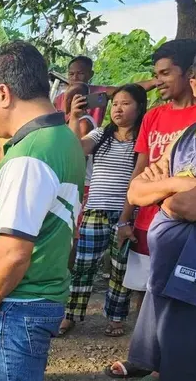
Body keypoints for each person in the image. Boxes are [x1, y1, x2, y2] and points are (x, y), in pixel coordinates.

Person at [0, 41, 86, 380]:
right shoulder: (62, 138)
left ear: (3, 94)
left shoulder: (30, 156)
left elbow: (13, 253)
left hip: (13, 306)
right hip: (33, 299)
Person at [124, 34, 196, 381]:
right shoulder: (184, 136)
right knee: (172, 361)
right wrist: (178, 183)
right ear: (195, 83)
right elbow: (135, 190)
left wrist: (165, 198)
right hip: (170, 270)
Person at [105, 38, 196, 378]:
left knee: (181, 291)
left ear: (188, 73)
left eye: (165, 73)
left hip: (186, 220)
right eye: (156, 74)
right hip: (148, 218)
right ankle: (146, 356)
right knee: (146, 288)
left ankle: (171, 360)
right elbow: (139, 169)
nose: (158, 80)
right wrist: (124, 217)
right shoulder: (153, 116)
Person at [59, 84, 147, 337]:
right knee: (83, 266)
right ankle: (71, 314)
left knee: (120, 269)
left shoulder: (143, 139)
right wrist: (74, 118)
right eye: (116, 103)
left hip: (128, 215)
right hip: (95, 210)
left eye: (126, 103)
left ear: (140, 107)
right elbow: (75, 150)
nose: (118, 109)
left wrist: (126, 218)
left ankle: (116, 317)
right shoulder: (101, 135)